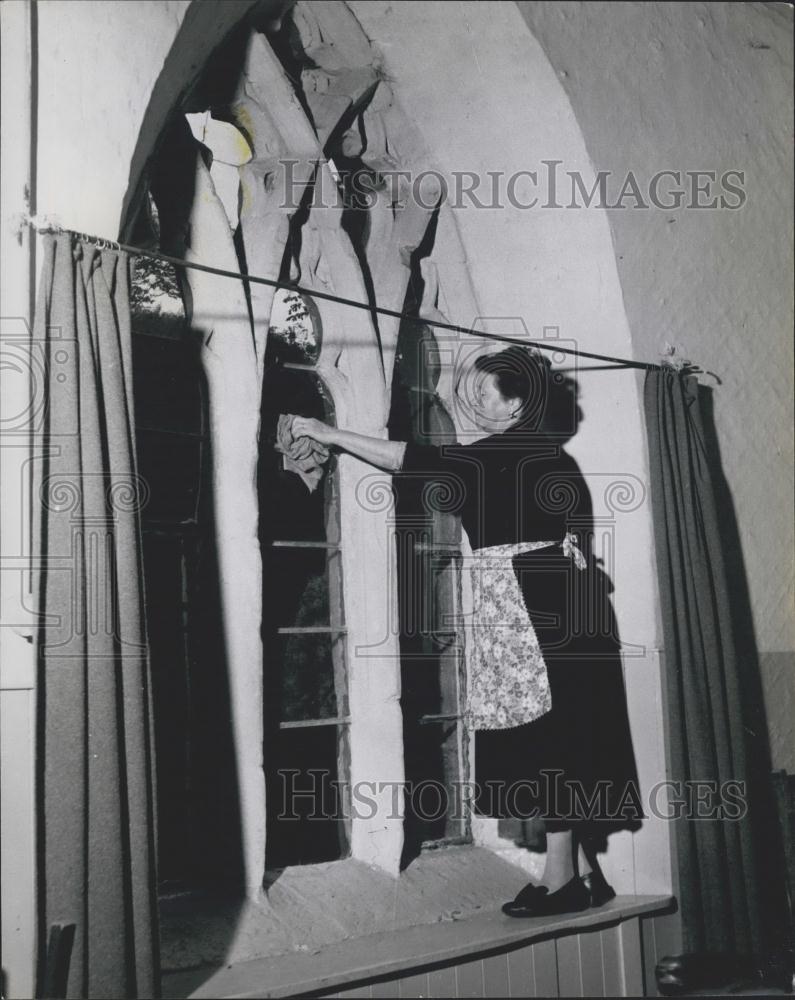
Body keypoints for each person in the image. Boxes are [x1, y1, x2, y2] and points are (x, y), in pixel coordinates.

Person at [289, 342, 641, 917]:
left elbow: (405, 458)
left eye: (485, 393)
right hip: (559, 603)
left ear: (515, 404)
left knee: (546, 736)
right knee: (561, 729)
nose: (475, 402)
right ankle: (581, 872)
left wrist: (329, 434)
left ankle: (562, 881)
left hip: (530, 605)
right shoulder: (550, 457)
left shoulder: (500, 454)